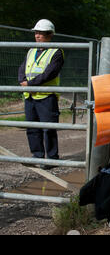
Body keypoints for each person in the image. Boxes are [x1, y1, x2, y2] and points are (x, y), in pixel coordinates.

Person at [18, 19, 64, 169]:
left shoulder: (56, 52)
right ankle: (37, 155)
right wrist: (22, 81)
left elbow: (50, 73)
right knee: (32, 128)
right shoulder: (31, 50)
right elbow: (22, 67)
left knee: (48, 128)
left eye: (41, 33)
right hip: (30, 96)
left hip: (46, 96)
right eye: (36, 33)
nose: (37, 36)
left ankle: (52, 159)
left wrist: (30, 84)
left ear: (50, 35)